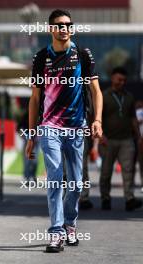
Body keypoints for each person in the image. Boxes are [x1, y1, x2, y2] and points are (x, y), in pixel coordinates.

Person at [26, 9, 103, 253]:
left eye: (68, 24)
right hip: (50, 127)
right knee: (56, 179)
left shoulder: (82, 54)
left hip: (76, 127)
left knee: (77, 185)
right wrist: (31, 135)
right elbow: (35, 99)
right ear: (51, 29)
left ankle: (70, 224)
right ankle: (57, 232)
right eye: (59, 25)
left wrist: (97, 120)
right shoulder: (41, 58)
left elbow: (96, 92)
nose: (64, 28)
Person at [99, 67, 142, 211]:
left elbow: (133, 118)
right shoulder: (103, 96)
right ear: (112, 78)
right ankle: (105, 197)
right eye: (119, 80)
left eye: (124, 80)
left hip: (126, 140)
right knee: (106, 171)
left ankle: (129, 198)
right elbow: (97, 118)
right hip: (108, 139)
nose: (122, 82)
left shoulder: (129, 97)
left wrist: (139, 136)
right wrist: (101, 135)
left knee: (128, 170)